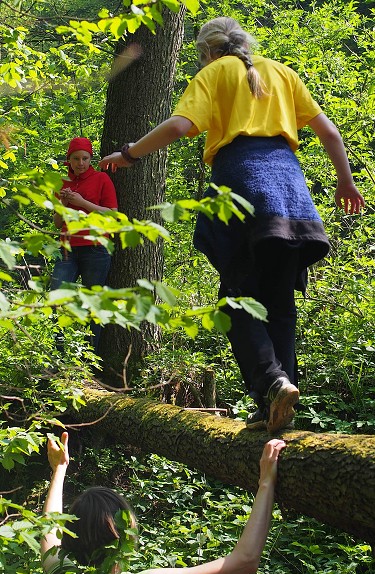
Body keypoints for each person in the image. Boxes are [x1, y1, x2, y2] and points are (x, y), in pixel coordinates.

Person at [98, 17, 365, 433]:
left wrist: (129, 154)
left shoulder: (214, 72)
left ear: (207, 51)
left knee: (234, 300)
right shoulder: (282, 72)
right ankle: (276, 405)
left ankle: (272, 382)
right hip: (291, 192)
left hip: (243, 185)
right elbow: (330, 133)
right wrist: (345, 183)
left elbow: (180, 126)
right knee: (279, 303)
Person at [41, 431, 286, 574]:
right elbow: (243, 562)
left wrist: (60, 469)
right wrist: (265, 482)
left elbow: (50, 526)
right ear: (122, 536)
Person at [51, 137, 118, 353]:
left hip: (96, 248)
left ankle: (89, 360)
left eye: (85, 158)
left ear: (90, 159)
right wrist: (64, 202)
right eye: (76, 158)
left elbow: (113, 214)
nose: (81, 163)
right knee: (56, 297)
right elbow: (57, 222)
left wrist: (82, 203)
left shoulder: (101, 179)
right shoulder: (62, 184)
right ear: (68, 160)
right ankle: (57, 357)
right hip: (67, 248)